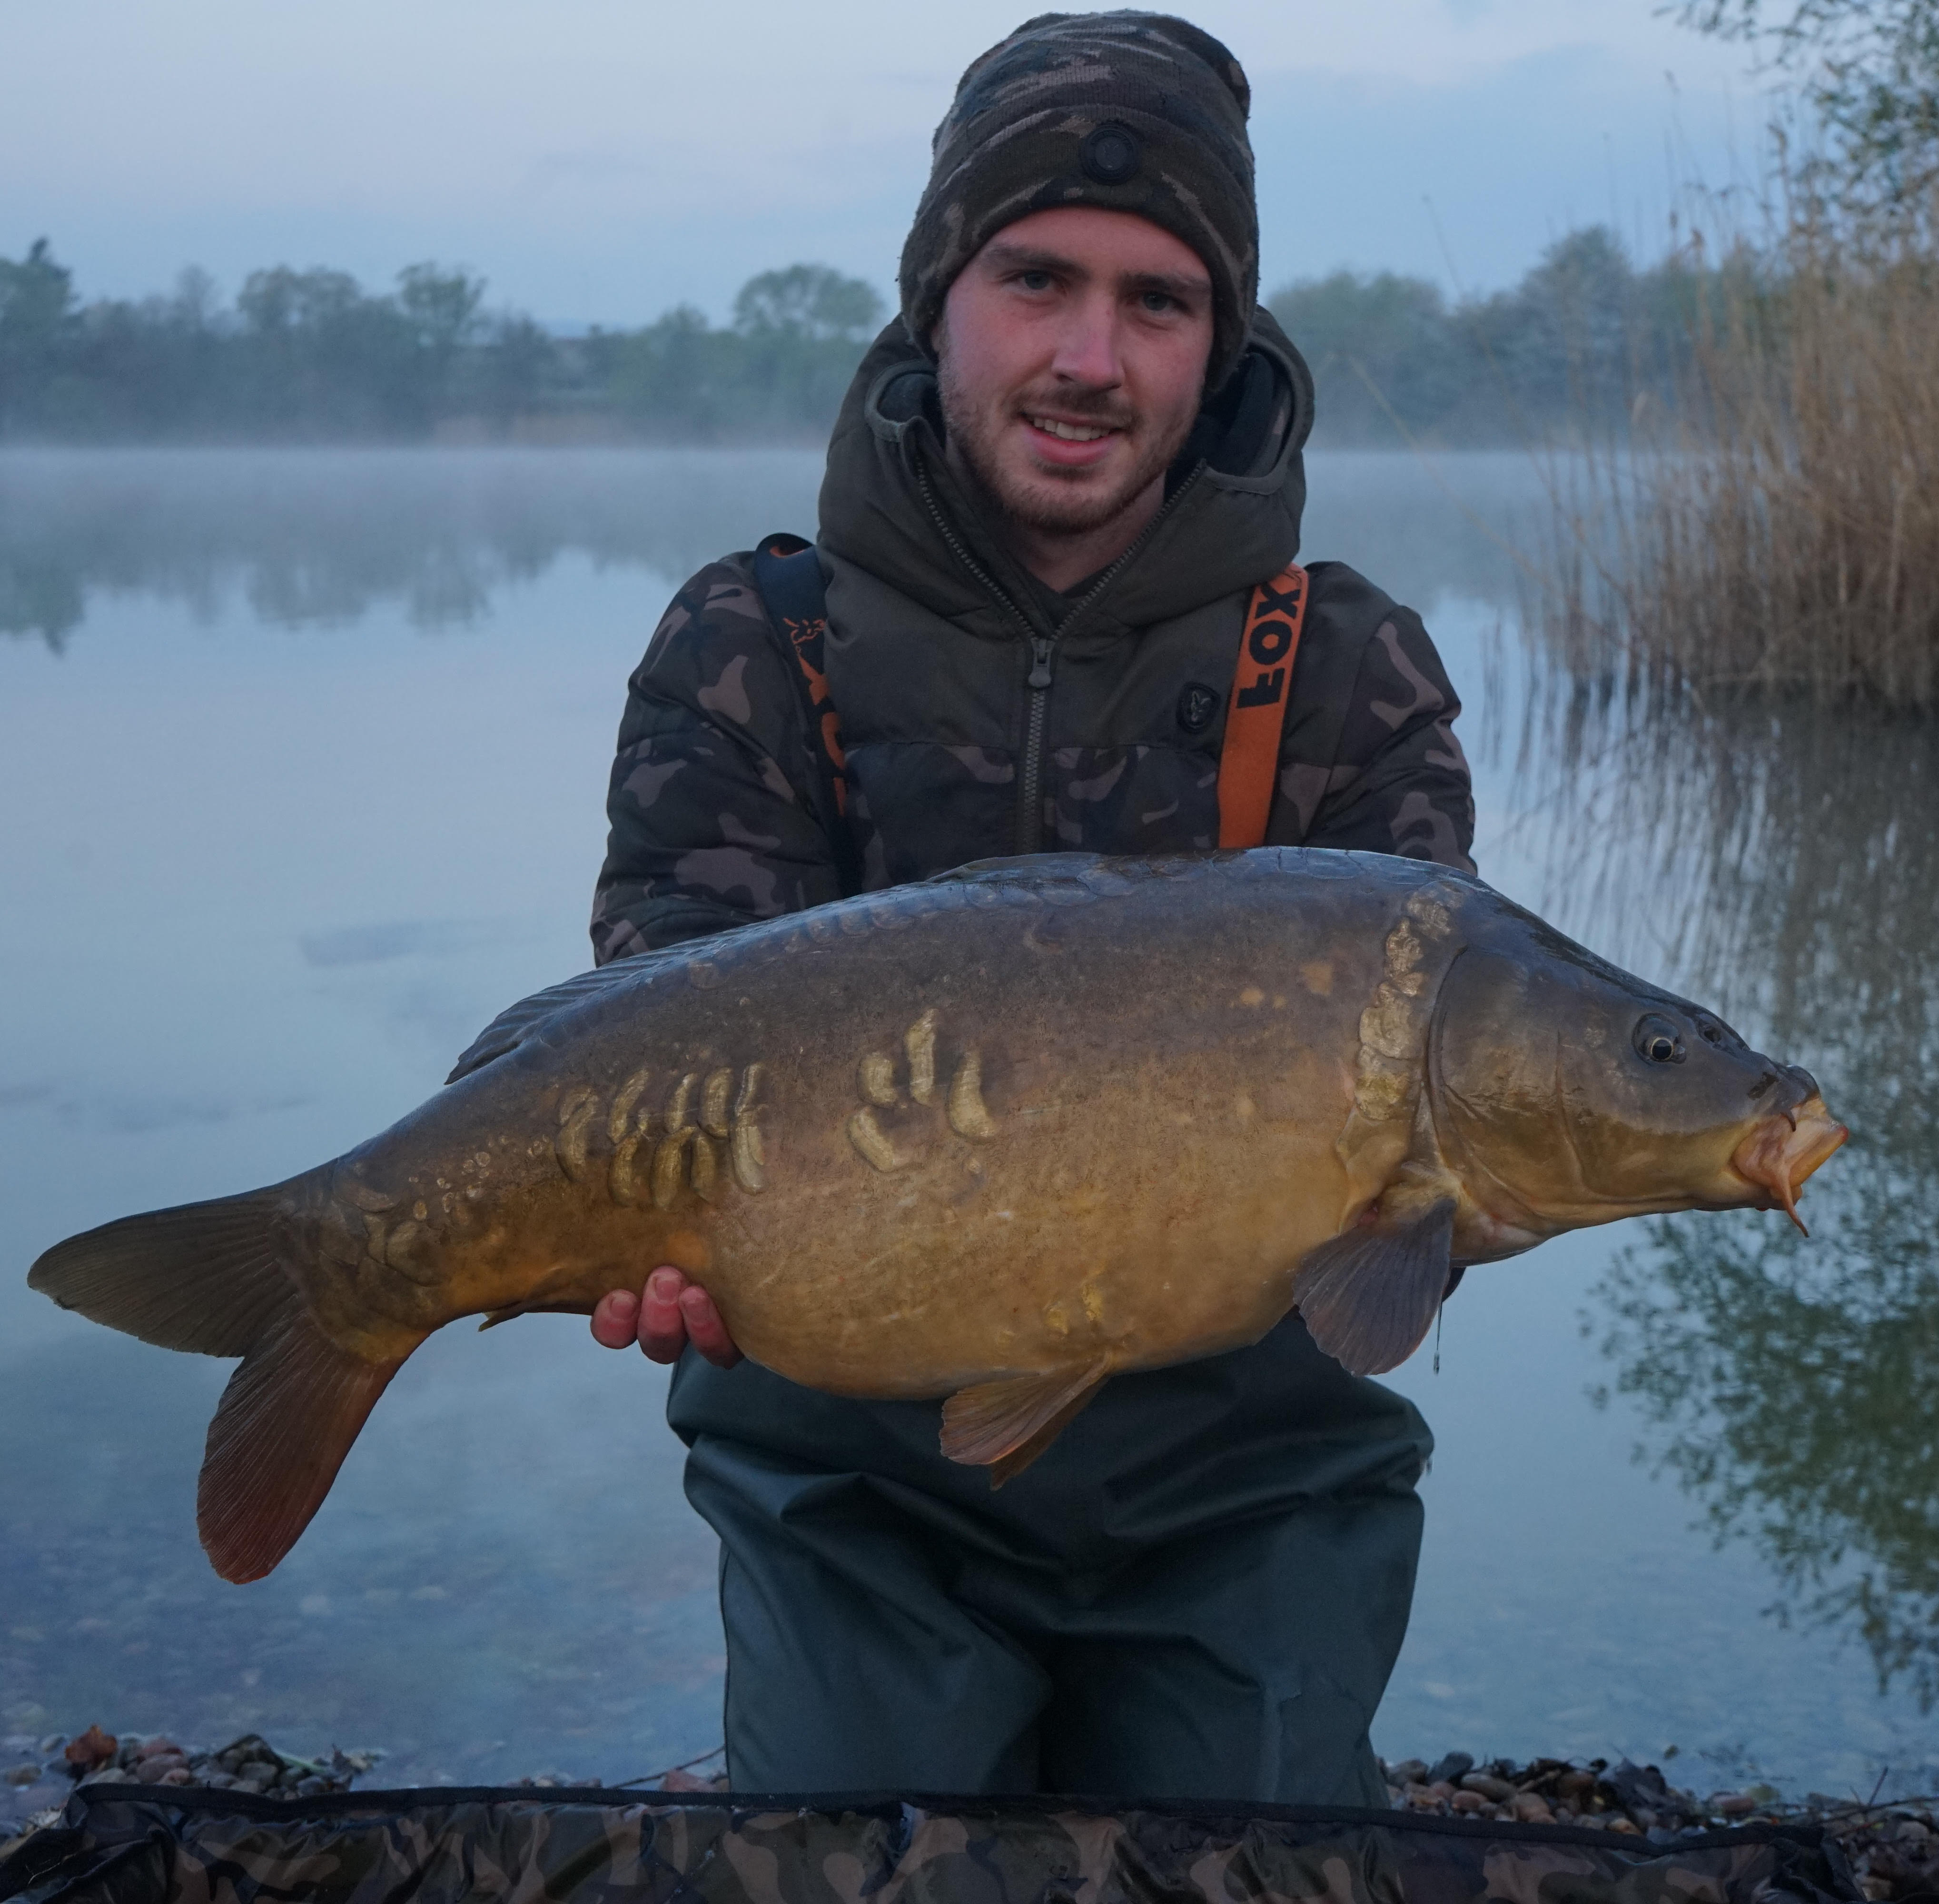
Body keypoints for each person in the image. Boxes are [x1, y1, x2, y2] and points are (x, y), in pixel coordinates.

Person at [580, 10, 1476, 1803]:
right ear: (940, 298)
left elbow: (1420, 1157)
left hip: (1249, 1473)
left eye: (1160, 302)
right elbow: (658, 1024)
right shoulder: (757, 644)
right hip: (852, 1466)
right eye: (1037, 278)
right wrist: (657, 1238)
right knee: (860, 1839)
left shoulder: (1350, 670)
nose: (1091, 354)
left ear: (1222, 345)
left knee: (1265, 1844)